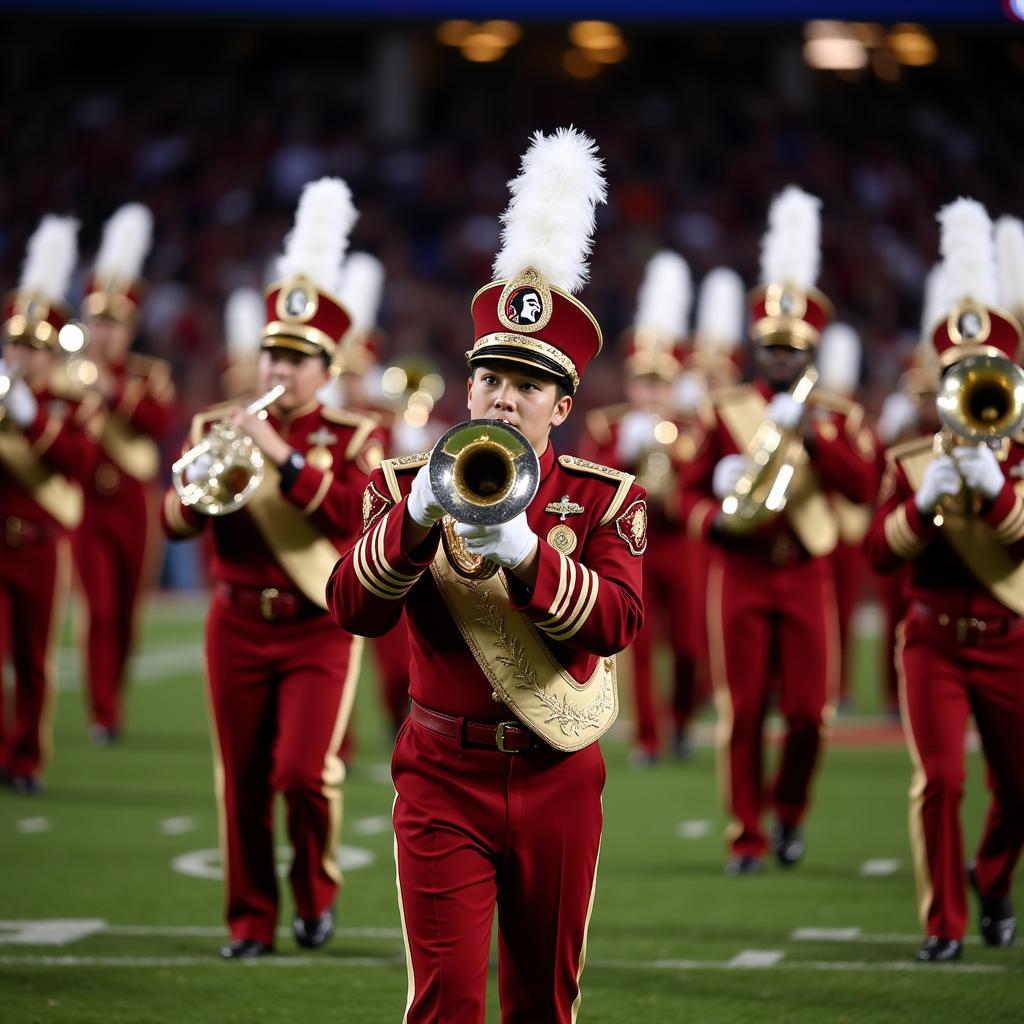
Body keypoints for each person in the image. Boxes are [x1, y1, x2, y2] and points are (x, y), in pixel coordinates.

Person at [329, 128, 645, 1024]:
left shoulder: (604, 497)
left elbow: (618, 621)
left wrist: (530, 558)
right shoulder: (400, 486)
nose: (504, 397)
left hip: (557, 775)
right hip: (441, 774)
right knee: (448, 1003)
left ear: (563, 403)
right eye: (491, 377)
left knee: (545, 1005)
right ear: (466, 389)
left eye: (527, 385)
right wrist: (419, 517)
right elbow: (351, 607)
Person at [161, 177, 383, 959]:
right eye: (272, 355)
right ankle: (250, 921)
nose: (280, 371)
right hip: (234, 621)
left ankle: (314, 895)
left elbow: (358, 518)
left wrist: (283, 459)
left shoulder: (356, 436)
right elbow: (174, 522)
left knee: (301, 772)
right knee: (242, 780)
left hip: (318, 623)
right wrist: (205, 481)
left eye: (298, 358)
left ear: (327, 368)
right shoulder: (215, 425)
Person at [681, 186, 878, 875]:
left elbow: (865, 486)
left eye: (793, 350)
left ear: (811, 350)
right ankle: (746, 833)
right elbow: (685, 494)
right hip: (742, 567)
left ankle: (789, 811)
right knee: (742, 712)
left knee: (808, 713)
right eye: (771, 347)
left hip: (807, 568)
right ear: (757, 347)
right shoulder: (724, 408)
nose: (782, 360)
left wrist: (817, 441)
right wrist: (717, 517)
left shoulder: (835, 415)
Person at [866, 199, 1024, 962]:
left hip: (1010, 638)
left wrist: (994, 485)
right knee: (942, 781)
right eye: (959, 375)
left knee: (1020, 790)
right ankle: (943, 924)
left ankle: (993, 879)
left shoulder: (1020, 460)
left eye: (984, 375)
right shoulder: (910, 462)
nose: (971, 388)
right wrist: (922, 507)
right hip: (931, 639)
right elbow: (876, 556)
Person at [581, 250, 701, 764]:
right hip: (634, 543)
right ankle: (649, 736)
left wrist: (673, 453)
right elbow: (586, 485)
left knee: (693, 645)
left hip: (682, 542)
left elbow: (700, 485)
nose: (651, 391)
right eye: (643, 381)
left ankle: (683, 721)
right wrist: (622, 453)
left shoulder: (695, 428)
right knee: (641, 645)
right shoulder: (608, 427)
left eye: (661, 382)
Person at [0, 216, 98, 794]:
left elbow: (79, 464)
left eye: (32, 347)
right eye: (13, 343)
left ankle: (27, 760)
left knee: (34, 662)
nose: (21, 355)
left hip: (40, 542)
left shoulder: (69, 401)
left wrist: (32, 419)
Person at [76, 203, 174, 745]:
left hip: (135, 502)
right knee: (99, 610)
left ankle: (113, 697)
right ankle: (102, 713)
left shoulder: (146, 374)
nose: (102, 332)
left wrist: (111, 391)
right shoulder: (70, 373)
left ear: (129, 327)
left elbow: (158, 421)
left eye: (112, 323)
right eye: (96, 320)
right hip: (88, 502)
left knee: (129, 615)